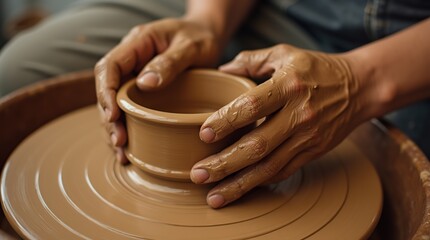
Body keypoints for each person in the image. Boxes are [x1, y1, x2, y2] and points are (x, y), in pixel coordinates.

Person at [0, 0, 429, 209]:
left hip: (407, 54)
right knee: (13, 74)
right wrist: (208, 21)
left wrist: (363, 81)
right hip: (271, 9)